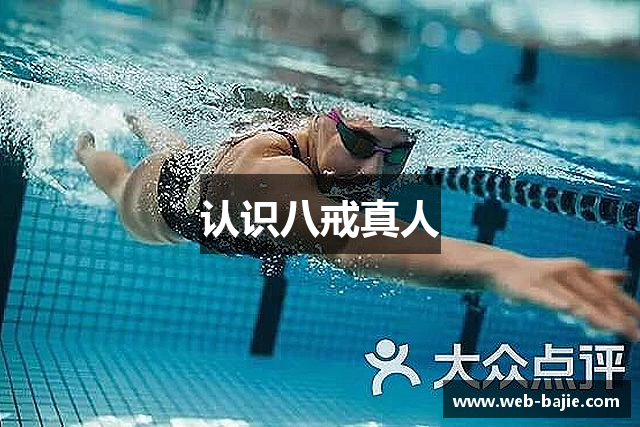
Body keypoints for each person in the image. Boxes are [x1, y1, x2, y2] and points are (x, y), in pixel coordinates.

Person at [75, 107, 640, 341]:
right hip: (163, 202)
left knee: (182, 148)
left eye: (393, 156)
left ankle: (153, 126)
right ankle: (84, 148)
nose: (373, 170)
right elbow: (343, 238)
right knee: (119, 181)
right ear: (324, 121)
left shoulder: (320, 155)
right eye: (360, 144)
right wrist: (498, 267)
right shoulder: (268, 169)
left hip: (210, 173)